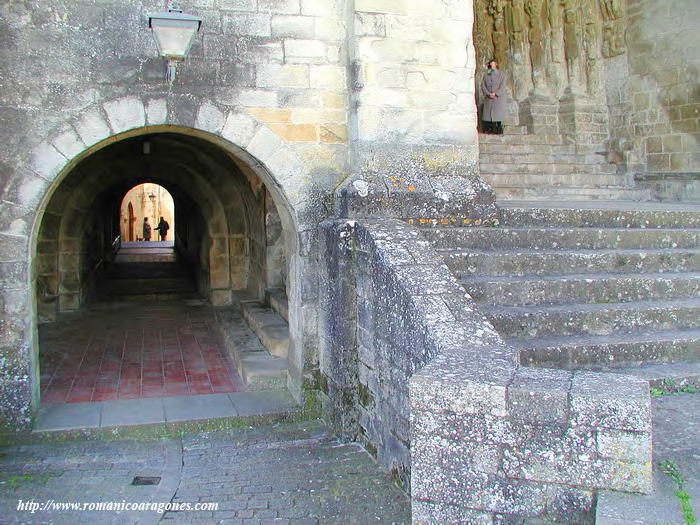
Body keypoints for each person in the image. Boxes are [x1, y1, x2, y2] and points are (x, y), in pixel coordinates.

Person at [480, 60, 507, 135]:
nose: (491, 65)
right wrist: (488, 93)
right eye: (490, 64)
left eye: (492, 64)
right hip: (489, 98)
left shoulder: (501, 74)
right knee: (488, 114)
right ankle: (489, 128)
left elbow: (503, 86)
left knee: (498, 114)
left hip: (498, 98)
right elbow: (483, 85)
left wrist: (496, 93)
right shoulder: (486, 75)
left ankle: (498, 128)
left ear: (496, 64)